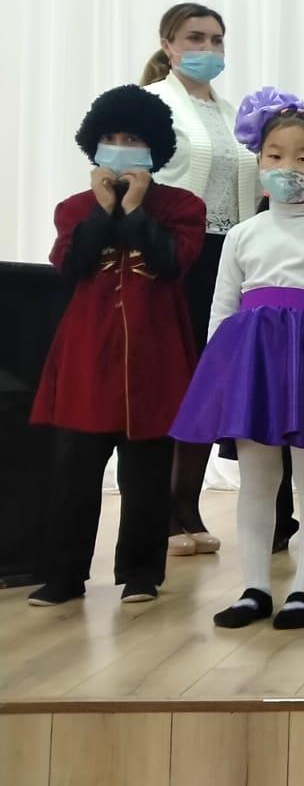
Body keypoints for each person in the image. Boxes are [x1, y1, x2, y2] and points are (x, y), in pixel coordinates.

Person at [171, 91, 304, 629]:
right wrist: (220, 383)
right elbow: (222, 314)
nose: (289, 167)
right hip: (254, 368)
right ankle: (255, 588)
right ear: (259, 161)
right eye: (276, 155)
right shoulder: (243, 234)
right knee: (258, 481)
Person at [28, 86, 206, 605]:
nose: (122, 147)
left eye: (133, 138)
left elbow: (173, 263)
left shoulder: (183, 207)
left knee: (148, 475)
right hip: (86, 358)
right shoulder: (74, 209)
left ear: (154, 147)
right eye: (112, 137)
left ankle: (141, 573)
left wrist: (133, 210)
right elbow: (71, 265)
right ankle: (64, 577)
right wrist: (104, 210)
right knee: (74, 474)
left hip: (155, 358)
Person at [141, 3, 259, 556]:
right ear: (168, 44)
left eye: (217, 40)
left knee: (211, 381)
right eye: (195, 38)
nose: (208, 49)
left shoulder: (233, 114)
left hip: (228, 257)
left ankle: (187, 505)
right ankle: (159, 513)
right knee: (172, 380)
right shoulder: (151, 103)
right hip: (174, 256)